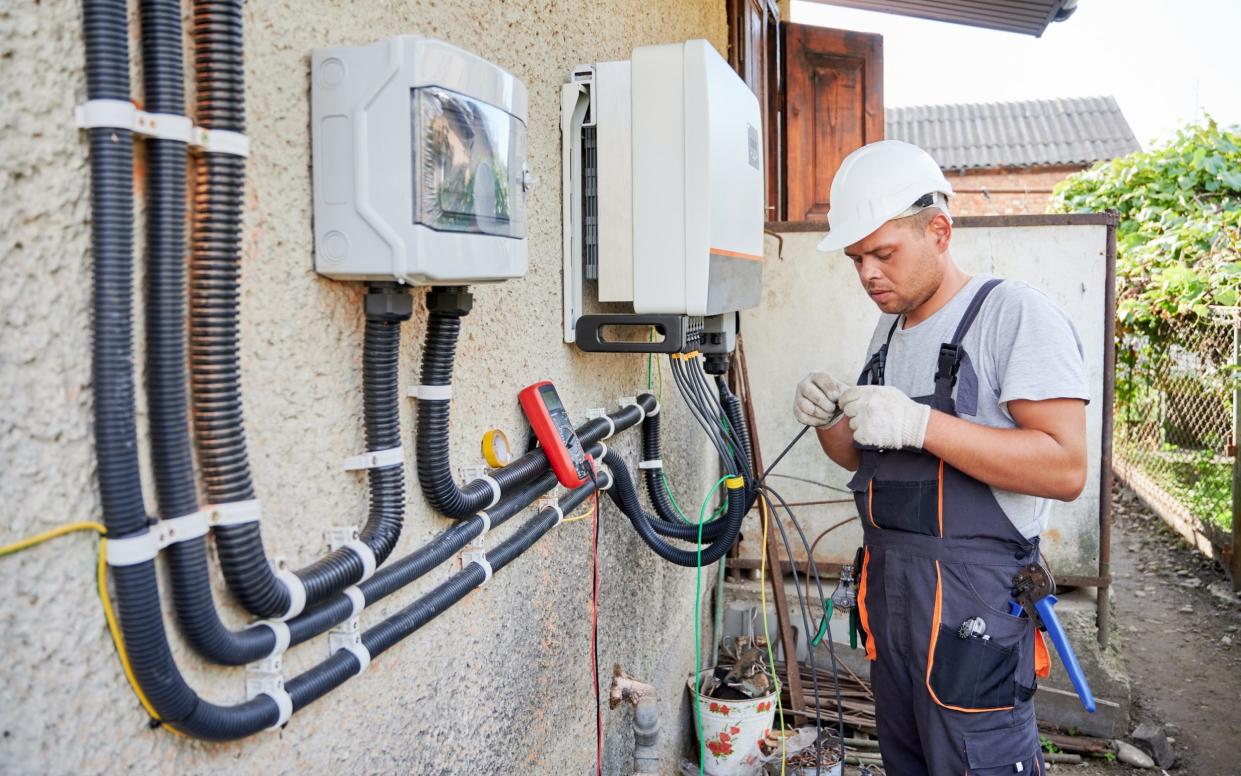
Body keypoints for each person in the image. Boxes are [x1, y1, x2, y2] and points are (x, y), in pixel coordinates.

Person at [793, 140, 1090, 774]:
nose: (869, 273)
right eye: (856, 259)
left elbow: (1065, 468)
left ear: (939, 230)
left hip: (971, 613)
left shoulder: (1010, 315)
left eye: (883, 253)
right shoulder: (888, 330)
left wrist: (923, 423)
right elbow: (870, 464)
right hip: (895, 608)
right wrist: (829, 421)